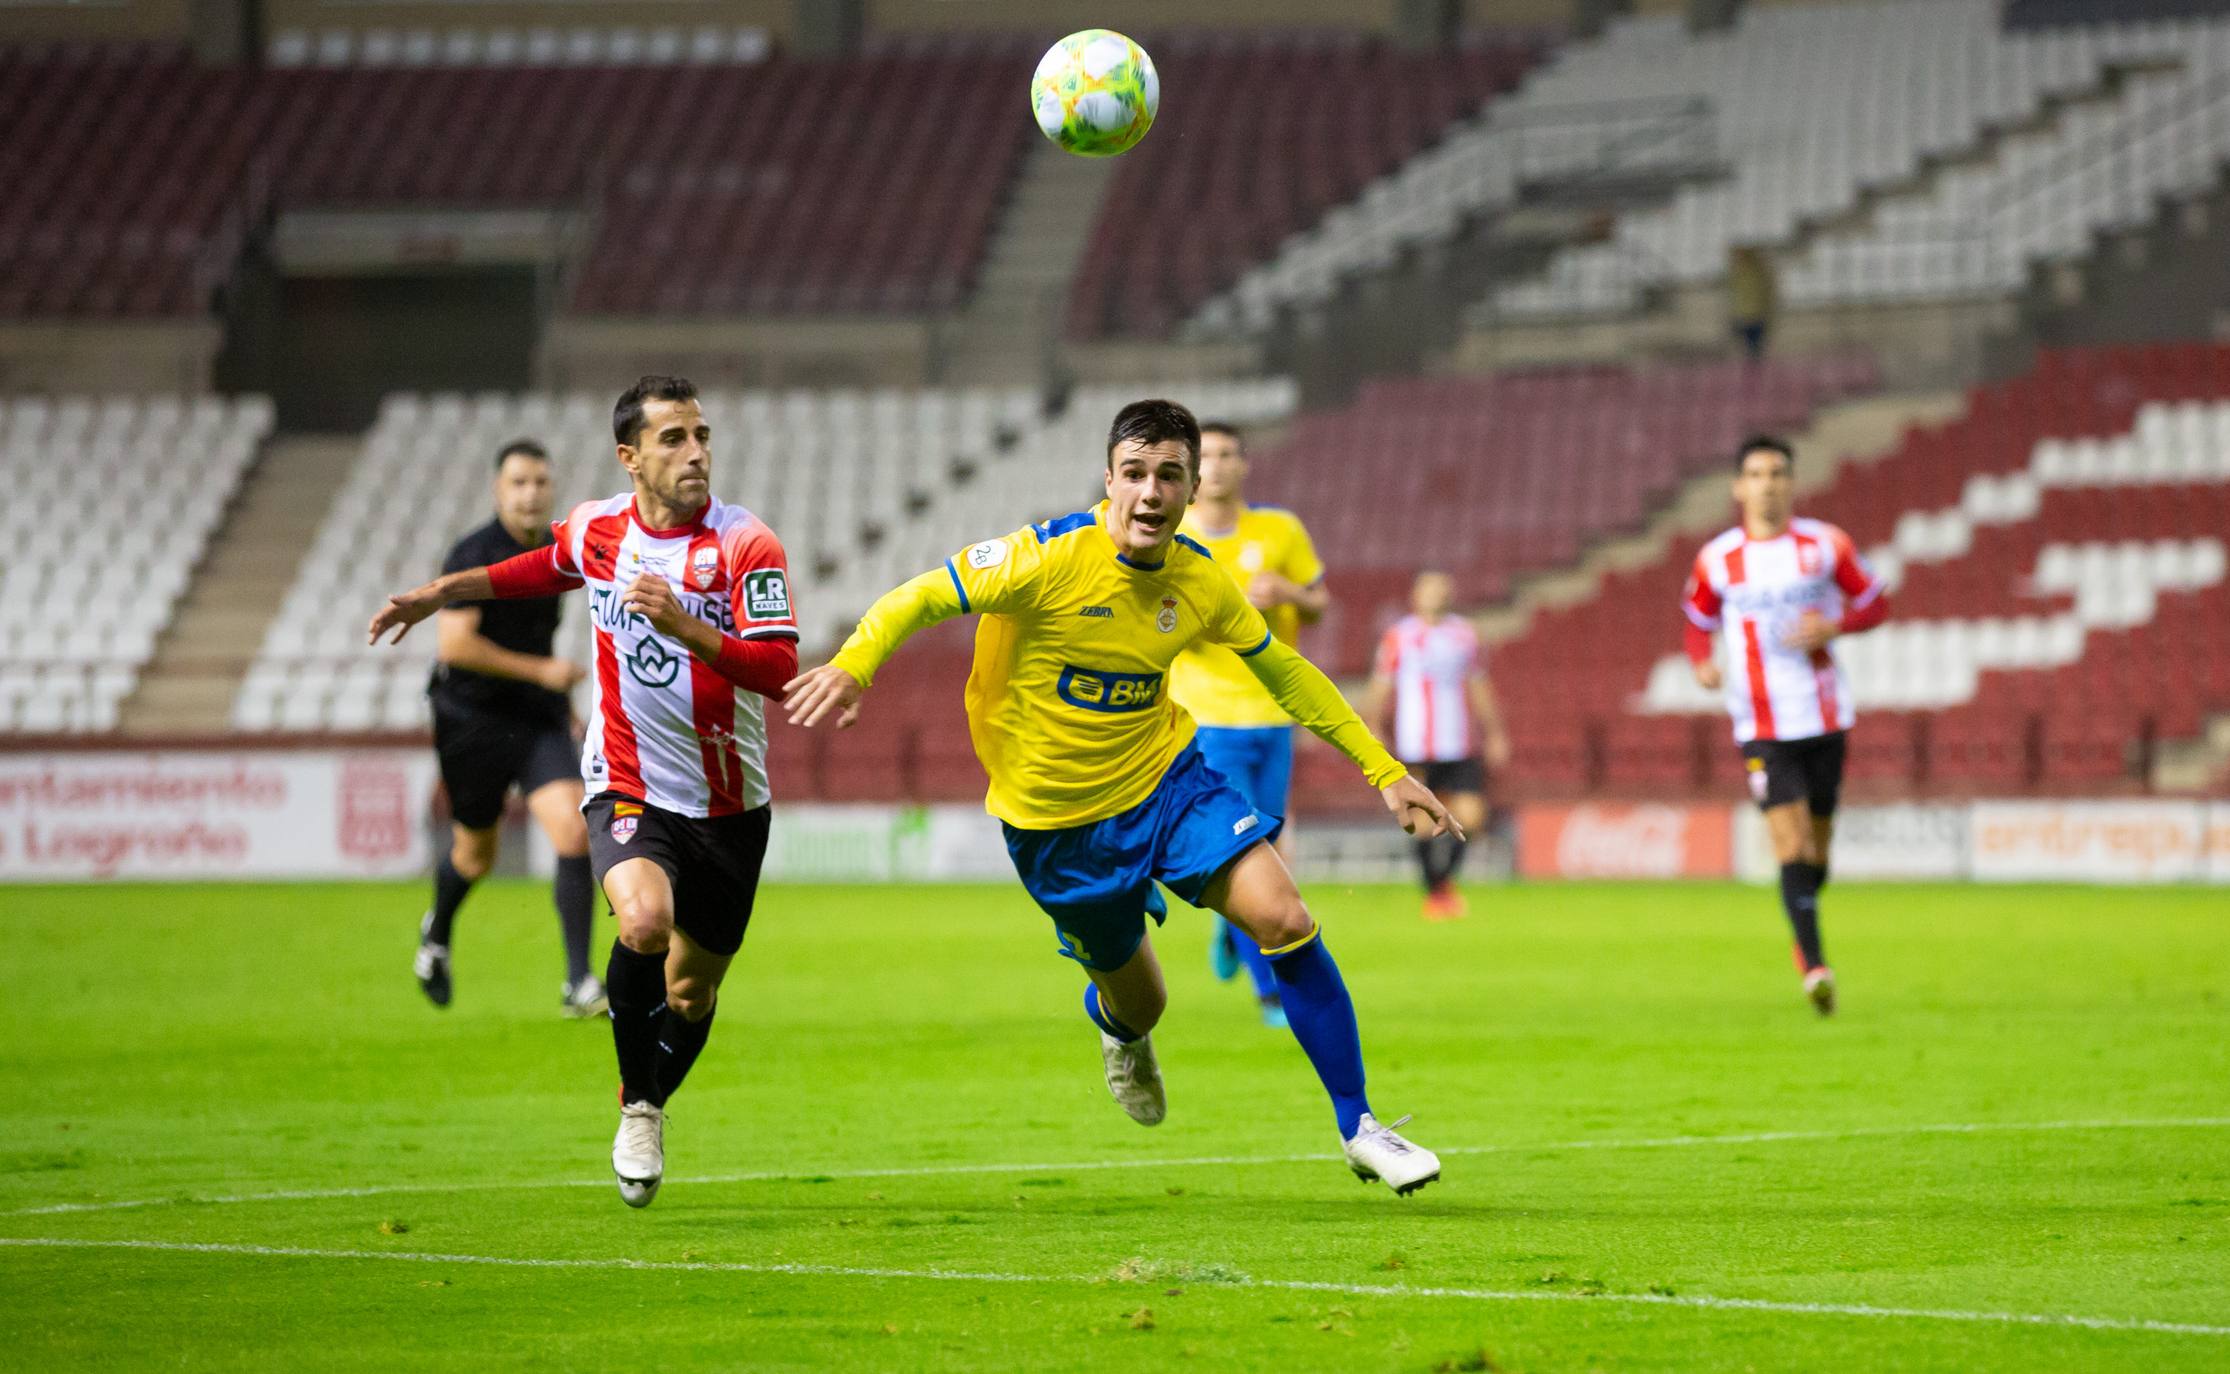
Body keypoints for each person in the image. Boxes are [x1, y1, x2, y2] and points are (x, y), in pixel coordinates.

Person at [784, 399, 1459, 1195]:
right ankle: (1116, 1026)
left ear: (1191, 487)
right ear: (1108, 481)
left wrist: (1385, 771)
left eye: (1168, 475)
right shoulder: (1042, 559)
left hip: (1167, 782)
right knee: (1143, 1003)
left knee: (1286, 917)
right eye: (1134, 474)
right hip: (1056, 824)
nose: (1150, 493)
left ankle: (1360, 1126)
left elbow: (1284, 670)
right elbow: (920, 596)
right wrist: (855, 665)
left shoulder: (1200, 577)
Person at [370, 375, 799, 1207]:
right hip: (628, 780)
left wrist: (685, 625)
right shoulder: (602, 529)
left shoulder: (748, 545)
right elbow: (534, 569)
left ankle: (648, 1096)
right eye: (673, 439)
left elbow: (779, 670)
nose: (696, 453)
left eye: (702, 435)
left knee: (693, 990)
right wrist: (438, 595)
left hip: (731, 804)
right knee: (642, 921)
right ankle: (639, 1106)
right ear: (629, 457)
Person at [1683, 435, 1889, 1016]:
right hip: (1761, 723)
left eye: (1777, 473)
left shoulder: (1826, 545)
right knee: (1789, 842)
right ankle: (1816, 966)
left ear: (1791, 483)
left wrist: (1835, 626)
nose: (1766, 483)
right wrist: (1701, 661)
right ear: (1738, 487)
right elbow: (1696, 621)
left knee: (1816, 852)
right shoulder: (1717, 558)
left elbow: (1875, 601)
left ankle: (1804, 917)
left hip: (1824, 714)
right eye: (1755, 473)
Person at [412, 439, 602, 1018]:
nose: (531, 493)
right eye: (519, 482)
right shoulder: (474, 551)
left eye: (540, 482)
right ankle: (437, 933)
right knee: (476, 856)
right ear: (498, 491)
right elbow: (455, 643)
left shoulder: (554, 552)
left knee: (573, 833)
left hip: (535, 717)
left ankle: (578, 983)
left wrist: (552, 694)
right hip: (471, 720)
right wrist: (542, 671)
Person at [1169, 420, 1328, 1028]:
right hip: (1206, 717)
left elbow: (1319, 603)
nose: (1219, 464)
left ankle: (1225, 925)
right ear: (1192, 468)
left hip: (1273, 716)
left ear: (1245, 465)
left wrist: (1287, 590)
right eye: (1206, 455)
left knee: (1271, 846)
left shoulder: (1279, 529)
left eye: (1229, 453)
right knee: (1250, 849)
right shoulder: (1173, 535)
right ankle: (1269, 994)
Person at [1364, 571, 1511, 920]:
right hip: (1414, 741)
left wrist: (1494, 732)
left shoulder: (1464, 634)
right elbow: (1380, 685)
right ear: (1416, 595)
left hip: (1458, 741)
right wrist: (1373, 727)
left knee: (1472, 817)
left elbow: (1479, 684)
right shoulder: (1399, 636)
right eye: (1431, 589)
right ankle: (1437, 894)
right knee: (1420, 822)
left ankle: (1442, 883)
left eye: (1443, 588)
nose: (1438, 594)